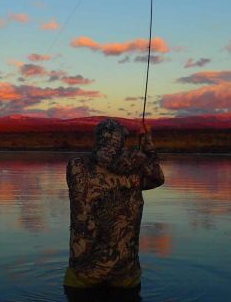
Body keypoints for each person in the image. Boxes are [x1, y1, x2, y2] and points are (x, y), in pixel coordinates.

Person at [63, 118, 164, 300]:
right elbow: (157, 177)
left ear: (98, 139)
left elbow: (104, 160)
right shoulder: (136, 169)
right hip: (124, 273)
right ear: (121, 140)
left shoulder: (75, 166)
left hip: (82, 272)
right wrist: (145, 143)